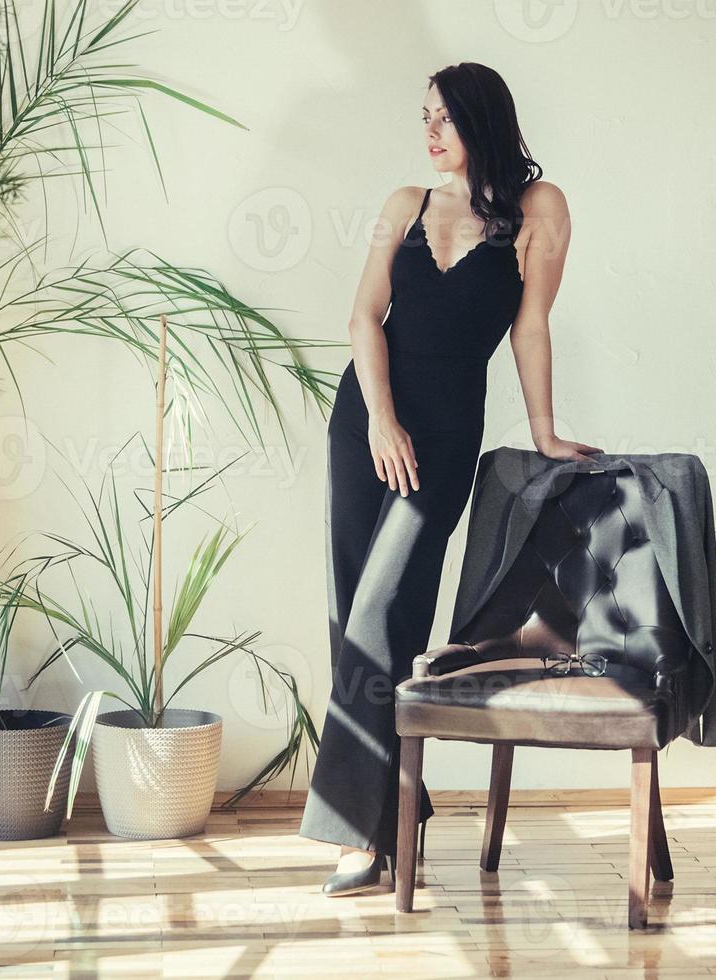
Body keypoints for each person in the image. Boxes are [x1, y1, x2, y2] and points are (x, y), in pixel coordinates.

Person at [297, 62, 601, 895]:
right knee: (349, 613)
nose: (428, 132)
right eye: (422, 116)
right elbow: (363, 317)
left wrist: (542, 432)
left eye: (443, 118)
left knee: (382, 611)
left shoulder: (539, 210)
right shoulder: (405, 205)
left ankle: (361, 834)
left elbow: (529, 325)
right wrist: (380, 419)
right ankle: (397, 807)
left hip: (443, 434)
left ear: (482, 122)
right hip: (365, 419)